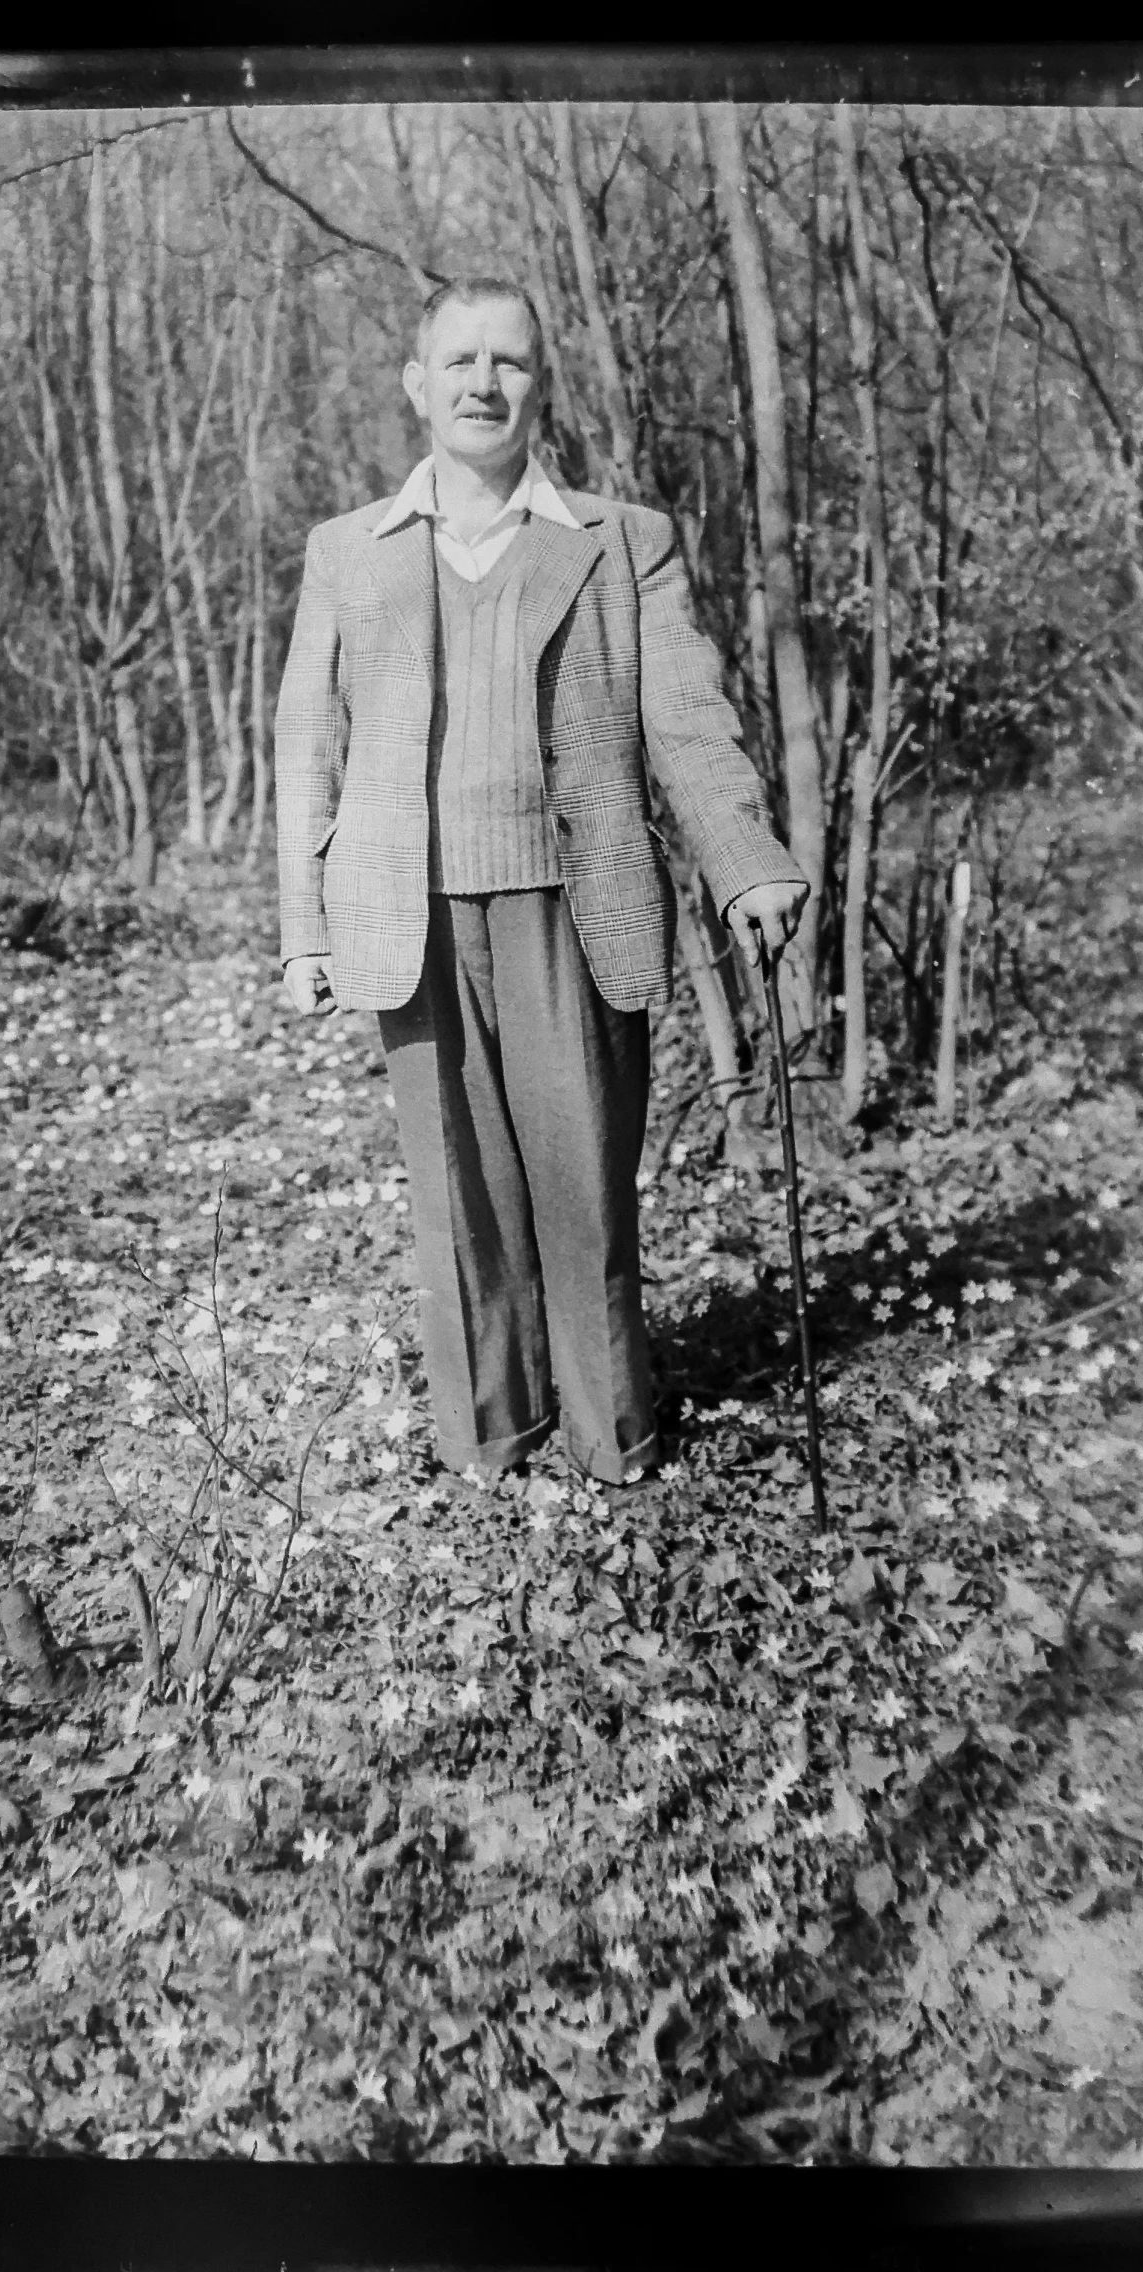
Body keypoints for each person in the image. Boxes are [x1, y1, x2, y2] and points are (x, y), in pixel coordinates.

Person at [275, 274, 807, 1490]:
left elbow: (684, 717)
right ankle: (489, 1435)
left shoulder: (621, 542)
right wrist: (303, 931)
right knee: (460, 1194)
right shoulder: (349, 552)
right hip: (406, 914)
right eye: (456, 361)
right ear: (417, 386)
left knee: (583, 1188)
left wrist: (745, 862)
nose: (480, 382)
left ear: (539, 383)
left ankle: (611, 1434)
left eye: (506, 361)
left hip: (575, 903)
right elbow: (307, 744)